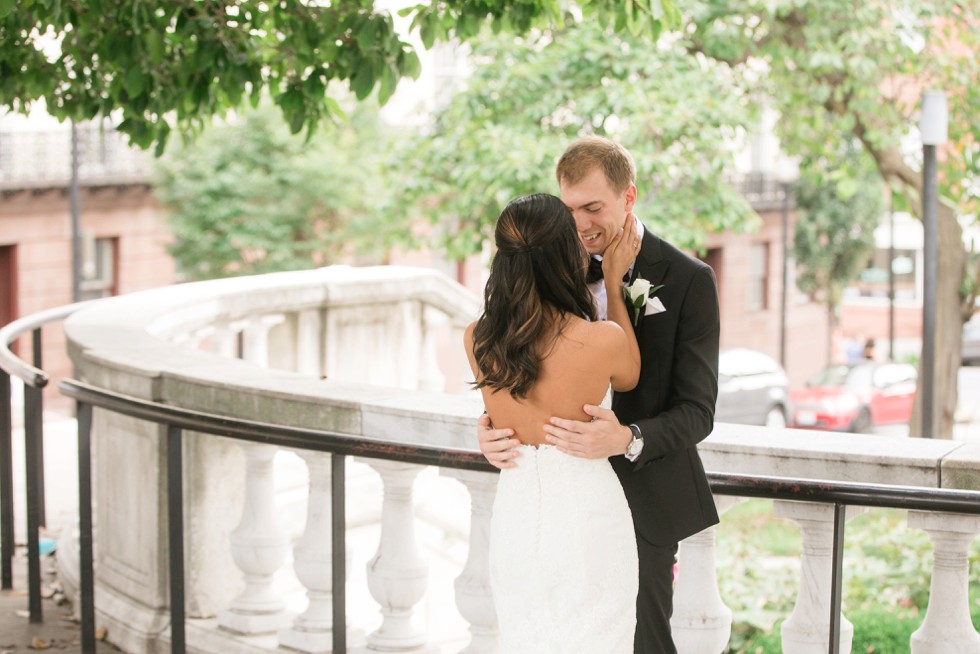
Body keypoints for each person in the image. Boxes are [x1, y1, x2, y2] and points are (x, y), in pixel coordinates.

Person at [477, 136, 721, 654]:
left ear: (628, 198)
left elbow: (698, 411)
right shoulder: (540, 269)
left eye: (593, 208)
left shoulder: (687, 280)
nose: (580, 224)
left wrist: (627, 437)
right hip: (559, 509)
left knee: (643, 643)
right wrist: (490, 430)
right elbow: (521, 373)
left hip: (645, 497)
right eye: (568, 210)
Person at [464, 193, 643, 652]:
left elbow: (502, 416)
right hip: (589, 521)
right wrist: (612, 282)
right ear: (566, 253)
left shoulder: (478, 338)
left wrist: (487, 431)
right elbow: (630, 373)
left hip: (517, 520)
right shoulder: (603, 340)